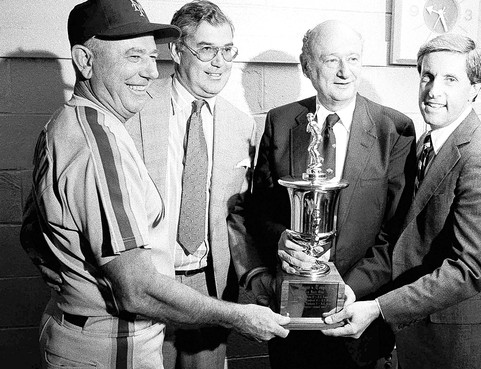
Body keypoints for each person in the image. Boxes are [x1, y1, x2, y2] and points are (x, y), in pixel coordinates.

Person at [21, 0, 289, 368]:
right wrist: (69, 279)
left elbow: (236, 214)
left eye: (227, 50)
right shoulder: (123, 109)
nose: (219, 62)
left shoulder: (241, 124)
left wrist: (252, 275)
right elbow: (39, 222)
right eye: (207, 49)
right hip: (133, 302)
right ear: (178, 52)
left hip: (204, 287)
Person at [323, 34, 481, 369]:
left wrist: (379, 307)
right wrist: (350, 289)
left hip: (451, 341)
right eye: (427, 76)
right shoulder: (426, 141)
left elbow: (468, 272)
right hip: (409, 334)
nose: (433, 90)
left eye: (450, 79)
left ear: (475, 87)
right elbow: (403, 238)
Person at [250, 20, 416, 369]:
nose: (344, 72)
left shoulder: (394, 129)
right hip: (290, 324)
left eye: (353, 59)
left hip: (360, 321)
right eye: (331, 60)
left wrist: (348, 291)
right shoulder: (280, 122)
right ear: (307, 65)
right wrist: (281, 239)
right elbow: (260, 209)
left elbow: (397, 232)